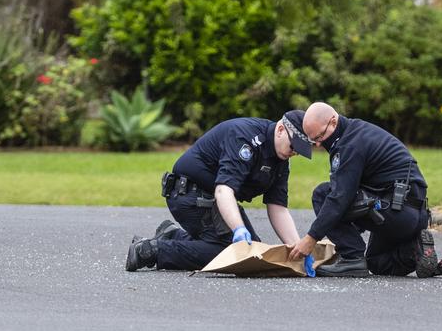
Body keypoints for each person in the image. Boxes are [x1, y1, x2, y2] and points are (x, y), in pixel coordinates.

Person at [126, 110, 312, 272]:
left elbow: (277, 207)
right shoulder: (245, 137)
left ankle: (173, 235)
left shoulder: (280, 160)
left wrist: (297, 248)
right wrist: (238, 229)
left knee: (252, 250)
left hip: (214, 199)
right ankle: (150, 251)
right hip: (189, 193)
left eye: (299, 151)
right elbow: (224, 190)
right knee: (233, 253)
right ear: (280, 130)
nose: (294, 153)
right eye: (293, 146)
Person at [288, 102, 439, 277]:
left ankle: (352, 259)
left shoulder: (349, 144)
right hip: (410, 213)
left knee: (323, 194)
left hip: (397, 210)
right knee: (376, 263)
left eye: (320, 137)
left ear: (333, 122)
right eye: (313, 140)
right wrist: (340, 234)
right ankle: (415, 251)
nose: (319, 145)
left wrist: (311, 239)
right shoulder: (356, 131)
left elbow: (340, 198)